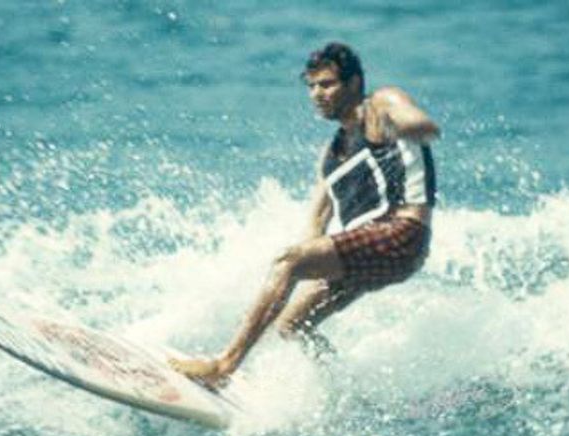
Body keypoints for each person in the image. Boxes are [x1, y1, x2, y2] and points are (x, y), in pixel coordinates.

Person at [170, 42, 439, 388]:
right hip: (372, 252)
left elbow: (419, 122)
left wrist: (415, 126)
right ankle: (341, 392)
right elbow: (316, 225)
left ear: (354, 83)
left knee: (287, 262)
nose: (317, 94)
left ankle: (225, 365)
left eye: (326, 84)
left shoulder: (380, 105)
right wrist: (308, 269)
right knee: (291, 324)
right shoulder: (331, 155)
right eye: (311, 86)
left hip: (402, 233)